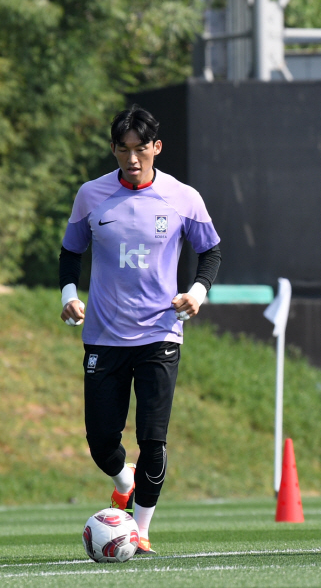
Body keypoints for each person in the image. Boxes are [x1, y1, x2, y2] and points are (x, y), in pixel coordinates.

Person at [60, 105, 222, 555]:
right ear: (114, 149)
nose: (133, 159)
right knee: (101, 443)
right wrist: (69, 295)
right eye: (124, 149)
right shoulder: (91, 196)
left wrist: (197, 292)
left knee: (153, 438)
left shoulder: (183, 197)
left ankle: (142, 529)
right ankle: (123, 481)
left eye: (141, 149)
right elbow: (70, 253)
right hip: (103, 335)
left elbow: (210, 252)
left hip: (160, 334)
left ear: (156, 148)